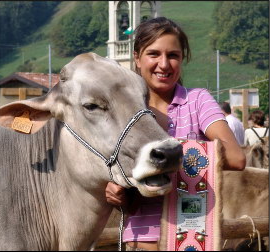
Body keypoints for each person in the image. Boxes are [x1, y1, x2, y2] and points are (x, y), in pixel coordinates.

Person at [105, 17, 246, 251]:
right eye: (153, 54)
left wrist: (164, 159)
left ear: (182, 59)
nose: (164, 64)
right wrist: (116, 191)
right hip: (142, 240)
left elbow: (235, 157)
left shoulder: (198, 100)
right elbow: (123, 187)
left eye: (173, 55)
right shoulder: (123, 111)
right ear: (137, 58)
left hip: (193, 237)